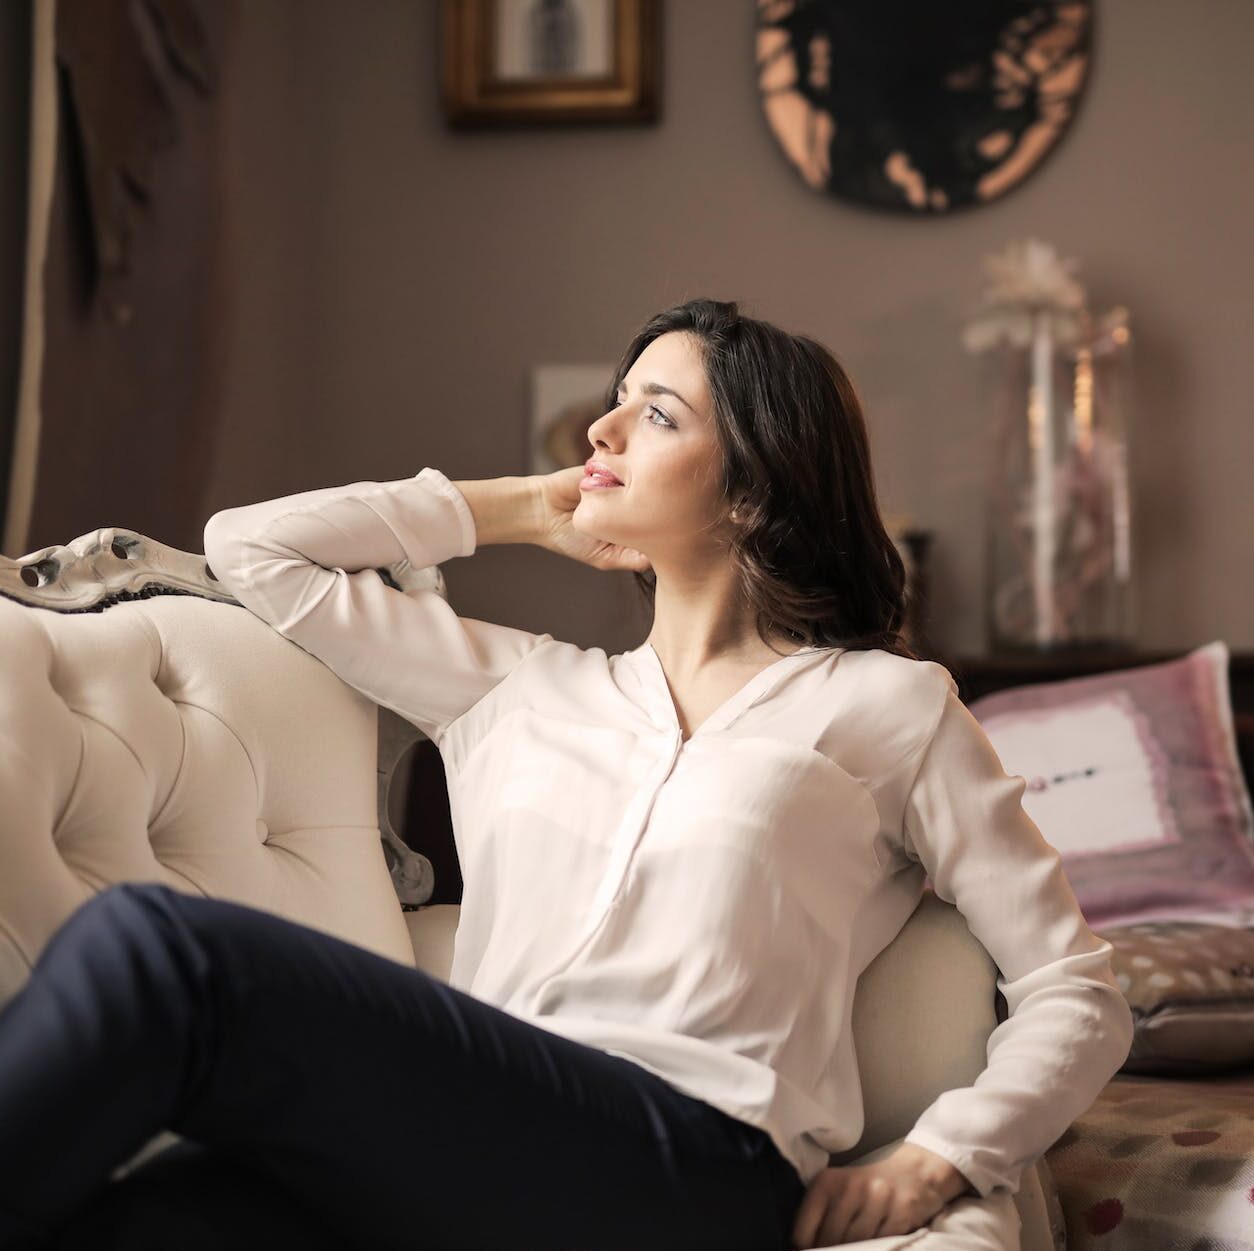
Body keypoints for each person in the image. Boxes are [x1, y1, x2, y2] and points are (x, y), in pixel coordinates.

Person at [0, 297, 1134, 1251]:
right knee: (138, 1216)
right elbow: (253, 549)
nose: (601, 427)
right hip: (476, 1141)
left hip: (692, 1164)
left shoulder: (886, 707)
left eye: (655, 413)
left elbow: (1075, 985)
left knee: (160, 953)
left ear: (751, 491)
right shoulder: (514, 685)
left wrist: (943, 1155)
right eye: (617, 398)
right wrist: (515, 509)